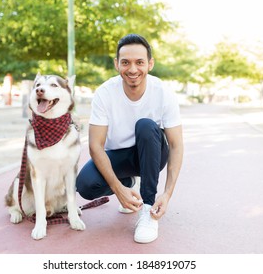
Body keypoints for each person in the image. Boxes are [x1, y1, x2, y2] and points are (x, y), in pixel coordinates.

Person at [76, 33, 183, 244]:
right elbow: (95, 146)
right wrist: (118, 189)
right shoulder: (104, 93)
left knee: (145, 125)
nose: (133, 69)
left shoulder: (163, 92)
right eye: (125, 62)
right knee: (85, 185)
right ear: (117, 64)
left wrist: (167, 194)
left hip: (153, 153)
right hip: (120, 156)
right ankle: (129, 184)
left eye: (139, 62)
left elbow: (177, 145)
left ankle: (147, 211)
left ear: (150, 64)